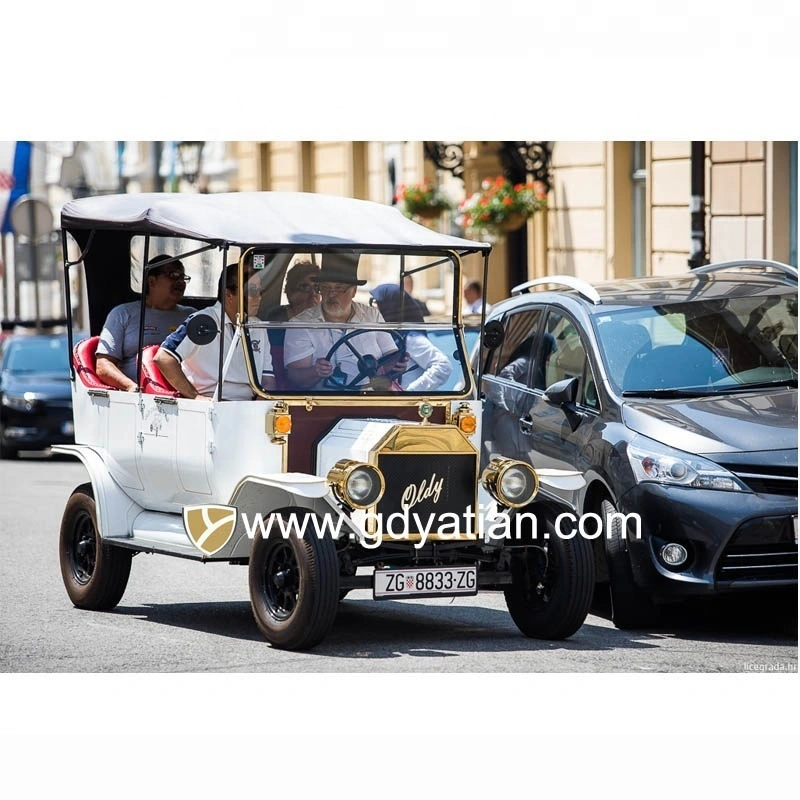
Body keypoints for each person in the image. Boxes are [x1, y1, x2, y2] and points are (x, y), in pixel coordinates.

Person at [283, 254, 405, 390]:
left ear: (354, 291)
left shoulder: (371, 315)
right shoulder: (301, 324)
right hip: (326, 402)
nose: (331, 295)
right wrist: (315, 371)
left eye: (339, 288)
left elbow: (390, 356)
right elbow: (295, 377)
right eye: (326, 288)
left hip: (372, 395)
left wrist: (398, 363)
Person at [155, 262, 275, 399]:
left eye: (261, 291)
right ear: (228, 295)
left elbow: (268, 379)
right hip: (210, 406)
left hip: (248, 407)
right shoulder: (203, 321)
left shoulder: (258, 327)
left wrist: (259, 406)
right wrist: (195, 397)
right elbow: (163, 358)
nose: (259, 297)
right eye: (252, 291)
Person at [95, 254, 196, 391]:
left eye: (183, 277)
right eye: (173, 275)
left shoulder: (192, 316)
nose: (181, 282)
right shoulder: (123, 314)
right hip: (137, 398)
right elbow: (103, 365)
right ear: (152, 281)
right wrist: (131, 387)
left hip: (185, 397)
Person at [369, 284, 452, 392]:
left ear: (390, 305)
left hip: (406, 405)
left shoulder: (409, 338)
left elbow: (443, 366)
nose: (372, 306)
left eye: (376, 301)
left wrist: (410, 392)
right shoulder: (387, 334)